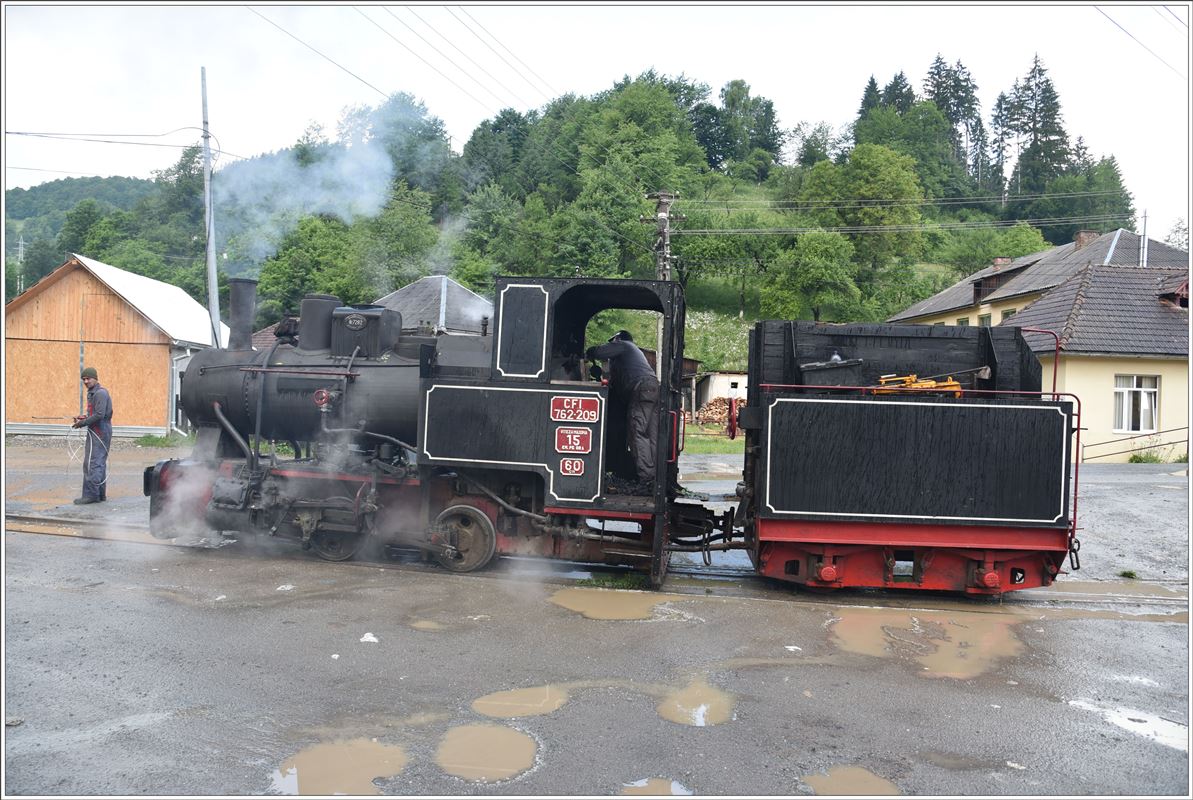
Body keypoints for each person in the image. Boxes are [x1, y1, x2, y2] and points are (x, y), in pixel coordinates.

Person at [585, 330, 659, 486]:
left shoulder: (624, 345)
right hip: (652, 389)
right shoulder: (633, 356)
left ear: (617, 339)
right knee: (651, 434)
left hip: (642, 388)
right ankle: (656, 475)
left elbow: (599, 352)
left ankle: (647, 478)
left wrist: (590, 352)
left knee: (637, 433)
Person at [72, 366, 113, 504]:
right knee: (98, 462)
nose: (85, 381)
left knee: (93, 463)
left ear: (95, 378)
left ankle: (91, 495)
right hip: (97, 429)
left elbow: (100, 415)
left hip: (100, 430)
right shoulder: (93, 393)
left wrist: (81, 424)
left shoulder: (100, 393)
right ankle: (100, 494)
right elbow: (95, 413)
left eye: (88, 378)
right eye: (83, 379)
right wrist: (83, 418)